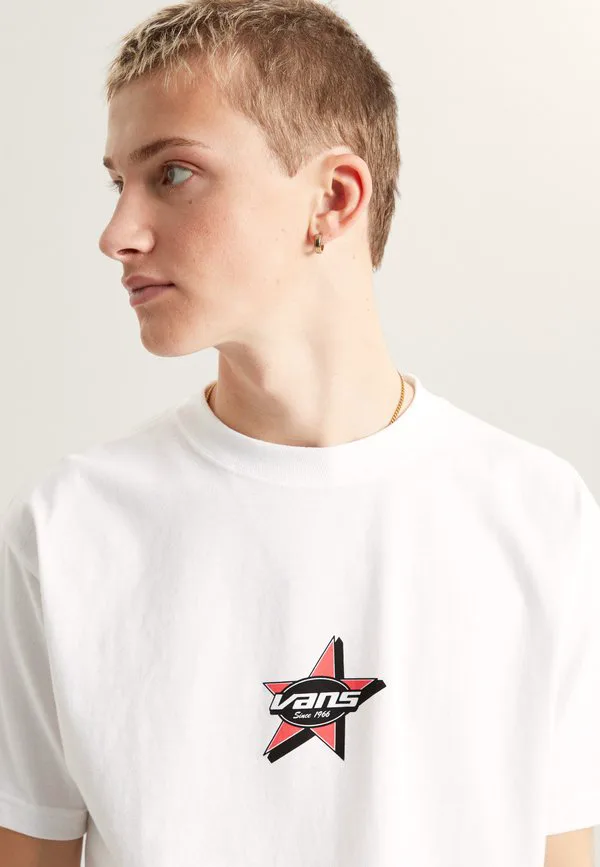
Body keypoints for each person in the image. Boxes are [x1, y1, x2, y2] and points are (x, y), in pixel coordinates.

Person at [1, 2, 599, 866]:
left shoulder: (540, 516)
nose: (117, 234)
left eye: (172, 173)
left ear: (333, 197)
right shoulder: (68, 529)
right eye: (116, 183)